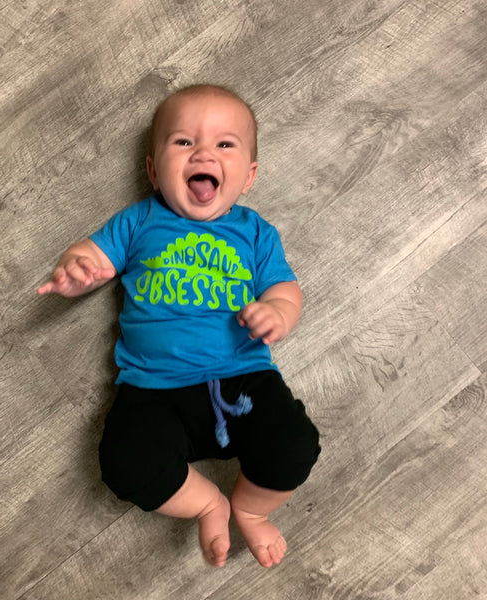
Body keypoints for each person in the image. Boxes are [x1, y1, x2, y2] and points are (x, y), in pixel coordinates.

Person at [37, 84, 320, 568]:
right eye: (183, 142)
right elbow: (92, 255)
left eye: (225, 144)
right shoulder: (138, 222)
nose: (203, 153)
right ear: (153, 171)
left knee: (294, 446)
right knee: (125, 465)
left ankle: (251, 508)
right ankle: (208, 503)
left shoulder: (254, 231)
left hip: (244, 377)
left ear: (249, 176)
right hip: (153, 389)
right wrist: (77, 268)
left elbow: (286, 289)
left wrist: (277, 311)